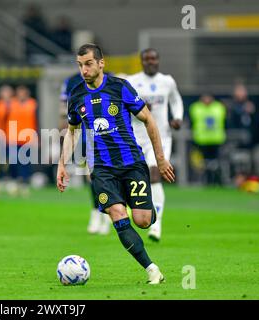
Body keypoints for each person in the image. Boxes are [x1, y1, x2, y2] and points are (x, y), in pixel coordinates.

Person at [57, 44, 175, 284]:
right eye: (80, 65)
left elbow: (149, 120)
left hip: (131, 162)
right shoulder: (77, 95)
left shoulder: (119, 88)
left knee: (142, 221)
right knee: (118, 215)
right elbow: (71, 132)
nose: (84, 70)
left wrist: (161, 160)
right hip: (101, 169)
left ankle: (140, 207)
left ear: (101, 63)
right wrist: (62, 164)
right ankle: (151, 269)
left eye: (88, 64)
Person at [127, 48, 184, 242]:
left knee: (154, 173)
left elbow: (176, 100)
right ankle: (136, 211)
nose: (151, 62)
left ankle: (157, 223)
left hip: (160, 138)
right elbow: (124, 107)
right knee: (134, 176)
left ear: (158, 60)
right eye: (147, 59)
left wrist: (177, 117)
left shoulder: (167, 81)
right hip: (136, 137)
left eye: (154, 59)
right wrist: (139, 110)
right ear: (142, 61)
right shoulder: (132, 82)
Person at [60, 72, 112, 235]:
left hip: (108, 133)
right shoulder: (72, 81)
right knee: (92, 175)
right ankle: (97, 212)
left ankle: (108, 214)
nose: (85, 68)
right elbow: (64, 108)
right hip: (84, 132)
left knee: (110, 174)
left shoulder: (110, 79)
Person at [6, 85, 37, 195]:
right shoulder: (10, 103)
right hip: (13, 137)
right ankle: (14, 182)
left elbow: (36, 120)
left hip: (27, 138)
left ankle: (24, 183)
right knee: (13, 162)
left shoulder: (32, 104)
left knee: (25, 162)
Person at [189, 94, 226, 185]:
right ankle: (205, 181)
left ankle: (216, 181)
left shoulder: (219, 107)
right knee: (203, 164)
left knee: (215, 163)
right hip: (201, 141)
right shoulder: (196, 108)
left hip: (216, 141)